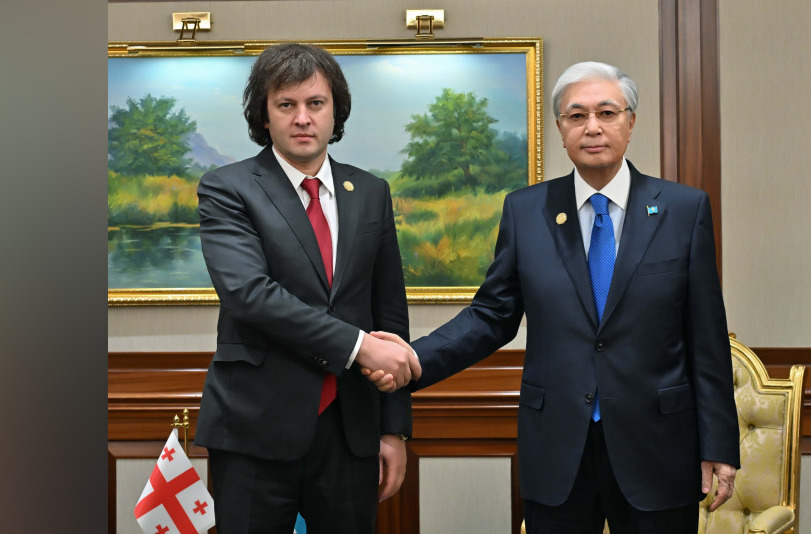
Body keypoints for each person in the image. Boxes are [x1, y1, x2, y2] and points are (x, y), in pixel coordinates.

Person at [370, 61, 739, 533]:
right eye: (576, 115)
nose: (592, 127)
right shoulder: (527, 211)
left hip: (659, 447)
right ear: (561, 129)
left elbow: (706, 336)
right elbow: (492, 315)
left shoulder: (684, 209)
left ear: (630, 122)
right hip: (558, 449)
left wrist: (719, 443)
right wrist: (413, 360)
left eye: (607, 113)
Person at [193, 42, 419, 534]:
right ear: (264, 115)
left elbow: (390, 315)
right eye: (286, 104)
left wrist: (394, 428)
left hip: (352, 431)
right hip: (255, 429)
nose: (302, 118)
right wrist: (359, 346)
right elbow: (249, 294)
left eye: (315, 103)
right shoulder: (228, 187)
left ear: (335, 111)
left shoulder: (372, 192)